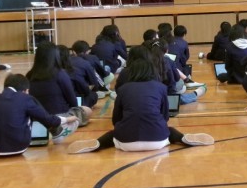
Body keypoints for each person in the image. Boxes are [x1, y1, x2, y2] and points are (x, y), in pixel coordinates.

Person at [66, 59, 214, 154]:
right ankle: (182, 138)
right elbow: (165, 116)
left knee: (113, 134)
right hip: (158, 141)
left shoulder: (123, 89)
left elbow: (116, 118)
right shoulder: (160, 87)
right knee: (170, 131)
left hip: (125, 142)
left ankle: (99, 143)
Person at [0, 73, 79, 156]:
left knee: (18, 111)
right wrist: (67, 119)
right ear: (24, 90)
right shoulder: (25, 98)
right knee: (31, 111)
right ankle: (57, 132)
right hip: (18, 146)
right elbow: (46, 119)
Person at [26, 41, 93, 126]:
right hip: (60, 117)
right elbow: (71, 99)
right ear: (55, 56)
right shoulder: (60, 74)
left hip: (38, 118)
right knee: (87, 110)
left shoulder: (29, 75)